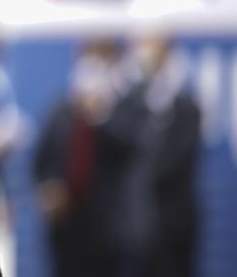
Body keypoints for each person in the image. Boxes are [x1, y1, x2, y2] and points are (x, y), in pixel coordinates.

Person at [35, 36, 200, 277]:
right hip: (68, 224)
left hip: (109, 229)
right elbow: (43, 157)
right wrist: (49, 187)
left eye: (101, 59)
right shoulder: (62, 110)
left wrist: (100, 115)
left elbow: (135, 147)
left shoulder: (126, 108)